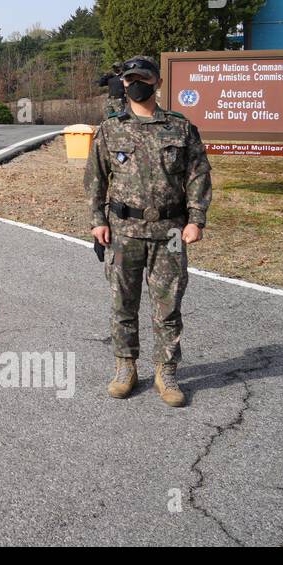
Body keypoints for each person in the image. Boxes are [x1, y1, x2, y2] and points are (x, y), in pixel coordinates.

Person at [84, 56, 211, 408]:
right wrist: (98, 220)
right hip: (124, 230)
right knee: (122, 302)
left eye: (142, 77)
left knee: (168, 306)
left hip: (170, 231)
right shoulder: (110, 129)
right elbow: (95, 179)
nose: (135, 83)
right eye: (129, 79)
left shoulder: (179, 127)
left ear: (156, 81)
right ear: (123, 84)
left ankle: (166, 371)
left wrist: (196, 219)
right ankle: (126, 368)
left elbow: (198, 174)